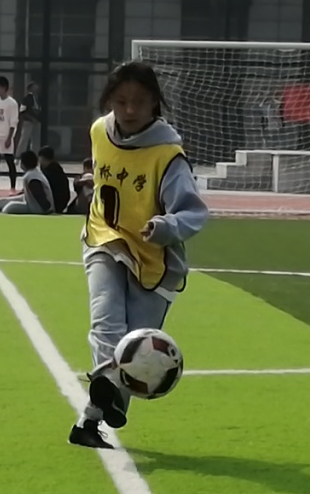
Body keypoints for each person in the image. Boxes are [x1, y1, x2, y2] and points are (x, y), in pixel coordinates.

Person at [70, 61, 210, 450]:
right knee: (106, 319)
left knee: (136, 347)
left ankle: (90, 420)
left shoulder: (168, 155)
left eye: (140, 102)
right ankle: (106, 396)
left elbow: (194, 212)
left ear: (154, 104)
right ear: (109, 101)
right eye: (121, 101)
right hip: (105, 237)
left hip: (154, 260)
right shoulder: (99, 131)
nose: (129, 110)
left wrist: (166, 225)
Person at [37, 144, 71, 214]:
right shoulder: (56, 169)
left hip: (55, 202)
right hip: (61, 202)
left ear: (42, 158)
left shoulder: (50, 172)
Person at [15, 81, 41, 155]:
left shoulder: (39, 98)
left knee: (36, 140)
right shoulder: (26, 99)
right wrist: (30, 118)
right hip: (28, 121)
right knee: (24, 138)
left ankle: (35, 155)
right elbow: (22, 111)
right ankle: (19, 155)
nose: (37, 88)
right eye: (34, 86)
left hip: (37, 121)